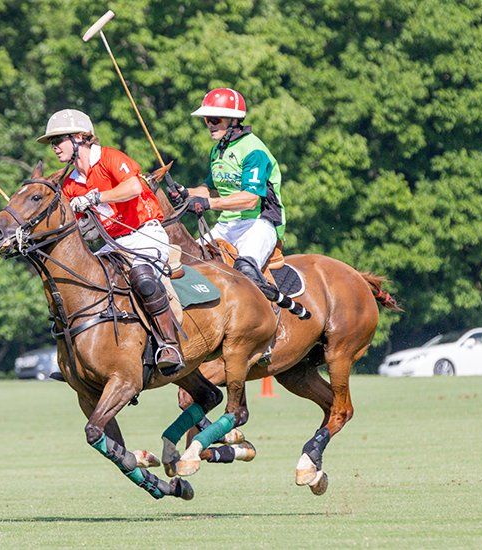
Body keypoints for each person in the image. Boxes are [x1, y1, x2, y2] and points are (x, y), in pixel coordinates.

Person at [36, 109, 184, 375]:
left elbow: (134, 188)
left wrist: (95, 197)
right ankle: (79, 356)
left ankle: (168, 344)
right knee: (85, 281)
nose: (54, 148)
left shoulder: (110, 158)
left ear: (80, 137)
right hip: (112, 243)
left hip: (144, 233)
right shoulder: (70, 183)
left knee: (143, 277)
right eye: (52, 143)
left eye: (59, 140)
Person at [175, 88, 299, 311]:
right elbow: (211, 190)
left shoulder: (254, 151)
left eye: (215, 119)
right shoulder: (218, 150)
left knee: (245, 271)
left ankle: (267, 330)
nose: (210, 124)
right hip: (227, 224)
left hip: (260, 223)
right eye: (206, 120)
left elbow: (250, 199)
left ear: (234, 120)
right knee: (188, 262)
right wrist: (186, 193)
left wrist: (209, 204)